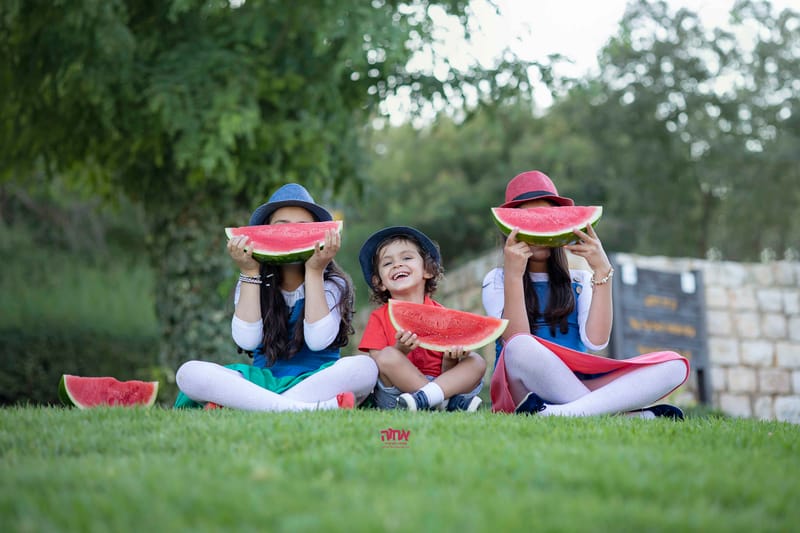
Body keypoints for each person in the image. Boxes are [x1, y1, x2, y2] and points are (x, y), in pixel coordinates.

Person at [483, 170, 689, 419]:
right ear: (509, 230)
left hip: (578, 381)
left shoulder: (579, 281)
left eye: (547, 218)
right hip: (523, 388)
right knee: (519, 346)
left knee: (674, 365)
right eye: (528, 220)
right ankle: (612, 415)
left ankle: (562, 413)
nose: (539, 230)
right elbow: (517, 338)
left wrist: (602, 270)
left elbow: (597, 341)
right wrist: (514, 276)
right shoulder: (497, 280)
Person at [174, 183, 377, 411]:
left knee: (364, 368)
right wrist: (250, 272)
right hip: (262, 382)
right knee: (188, 373)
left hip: (317, 380)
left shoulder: (332, 283)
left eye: (303, 228)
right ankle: (304, 408)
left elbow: (318, 340)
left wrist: (314, 271)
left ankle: (252, 406)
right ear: (265, 231)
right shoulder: (250, 280)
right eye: (281, 226)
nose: (291, 234)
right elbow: (246, 341)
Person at [358, 226, 487, 411]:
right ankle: (442, 403)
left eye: (406, 258)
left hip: (442, 385)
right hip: (398, 394)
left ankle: (429, 399)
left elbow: (447, 373)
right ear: (379, 283)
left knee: (477, 361)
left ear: (428, 270)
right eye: (387, 263)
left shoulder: (443, 316)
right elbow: (379, 363)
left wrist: (450, 359)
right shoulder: (379, 317)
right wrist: (400, 350)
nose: (397, 265)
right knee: (387, 355)